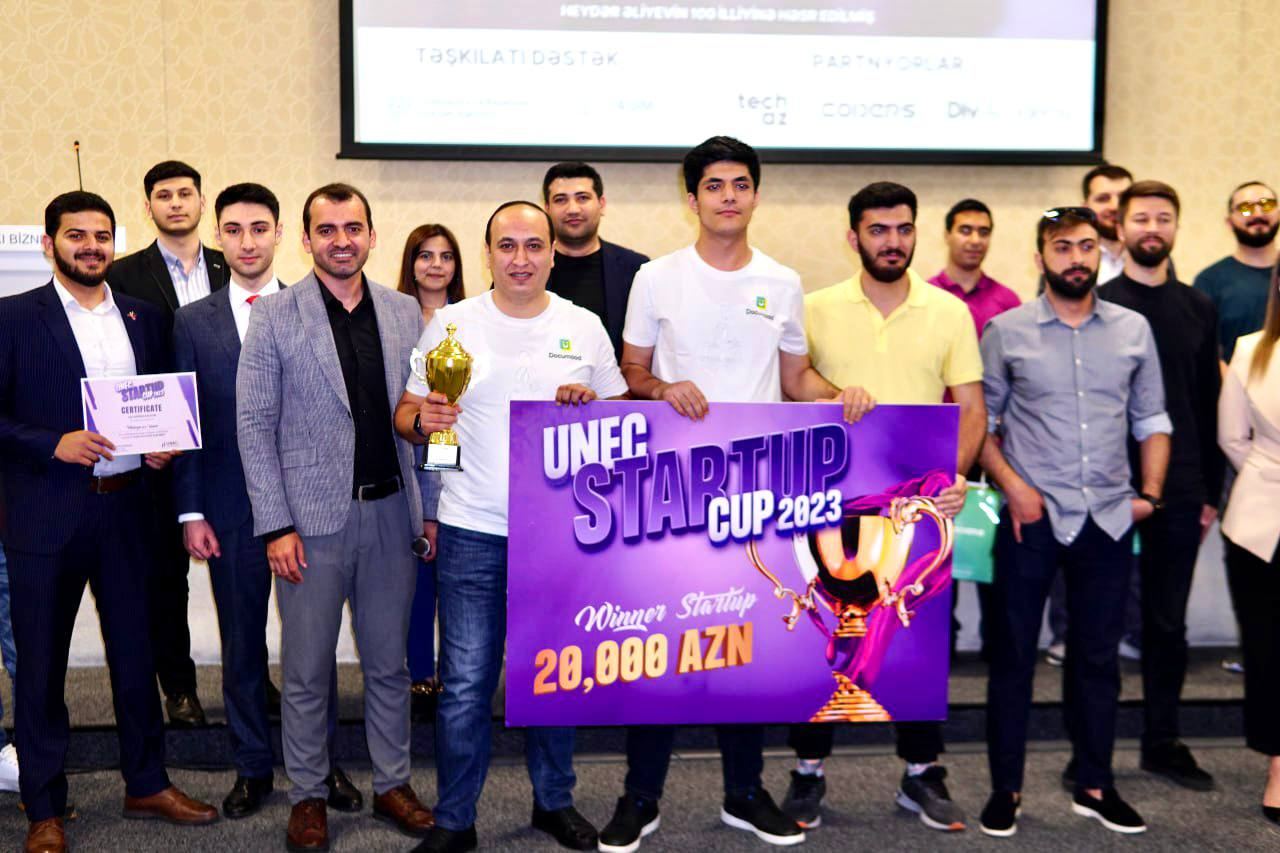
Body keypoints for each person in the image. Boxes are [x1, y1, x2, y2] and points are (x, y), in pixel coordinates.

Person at [602, 136, 872, 852]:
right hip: (673, 493)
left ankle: (745, 793)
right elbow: (631, 372)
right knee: (659, 647)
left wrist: (841, 394)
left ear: (755, 194)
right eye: (714, 185)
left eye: (741, 184)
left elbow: (797, 378)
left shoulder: (781, 281)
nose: (728, 196)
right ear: (690, 197)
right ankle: (640, 796)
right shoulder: (656, 278)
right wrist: (663, 388)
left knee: (745, 647)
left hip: (758, 493)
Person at [400, 201, 627, 853]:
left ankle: (554, 802)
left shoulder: (583, 327)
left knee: (553, 678)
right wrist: (424, 423)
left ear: (553, 253)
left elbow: (623, 422)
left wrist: (590, 410)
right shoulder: (452, 324)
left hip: (560, 538)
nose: (520, 258)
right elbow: (409, 413)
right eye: (507, 245)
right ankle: (455, 818)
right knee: (465, 685)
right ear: (488, 253)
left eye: (533, 245)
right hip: (472, 529)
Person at [0, 191, 219, 853]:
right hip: (45, 514)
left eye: (101, 236)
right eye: (76, 235)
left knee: (135, 654)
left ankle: (146, 781)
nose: (91, 247)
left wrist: (161, 444)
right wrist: (52, 443)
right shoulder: (12, 317)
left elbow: (161, 402)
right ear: (50, 244)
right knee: (41, 665)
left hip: (129, 510)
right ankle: (44, 805)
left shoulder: (144, 316)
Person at [237, 183, 433, 851]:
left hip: (392, 514)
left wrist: (430, 509)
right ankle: (308, 794)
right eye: (328, 230)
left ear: (372, 236)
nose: (342, 241)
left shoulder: (404, 312)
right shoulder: (274, 315)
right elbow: (254, 425)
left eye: (354, 228)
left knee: (389, 665)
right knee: (307, 670)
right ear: (307, 239)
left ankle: (393, 783)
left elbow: (426, 417)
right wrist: (275, 525)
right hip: (309, 525)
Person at [790, 182, 981, 834]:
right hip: (831, 503)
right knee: (824, 629)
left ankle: (922, 771)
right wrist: (835, 393)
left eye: (903, 229)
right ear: (854, 238)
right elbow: (792, 385)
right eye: (878, 230)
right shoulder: (814, 308)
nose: (892, 242)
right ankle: (807, 771)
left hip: (919, 511)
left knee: (920, 636)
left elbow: (971, 406)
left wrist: (958, 474)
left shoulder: (949, 311)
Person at [977, 206, 1171, 838]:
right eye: (1062, 247)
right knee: (1013, 659)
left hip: (1108, 519)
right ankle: (1006, 790)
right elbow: (983, 425)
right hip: (1030, 518)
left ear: (1099, 254)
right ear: (1040, 258)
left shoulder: (1134, 330)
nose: (1076, 258)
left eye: (1086, 246)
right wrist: (1014, 490)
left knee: (1097, 659)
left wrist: (1149, 495)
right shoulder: (1006, 330)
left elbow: (1152, 420)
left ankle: (1095, 784)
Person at [174, 183, 358, 819]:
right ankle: (252, 766)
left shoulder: (318, 307)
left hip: (310, 509)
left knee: (313, 648)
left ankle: (322, 765)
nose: (247, 242)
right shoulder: (192, 322)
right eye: (233, 230)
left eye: (259, 228)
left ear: (281, 234)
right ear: (218, 237)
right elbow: (188, 425)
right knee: (242, 646)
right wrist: (191, 511)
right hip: (230, 511)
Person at [1096, 181, 1222, 791]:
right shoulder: (1098, 302)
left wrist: (1211, 493)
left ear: (1176, 226)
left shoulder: (1198, 306)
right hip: (1106, 485)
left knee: (1167, 624)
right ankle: (1090, 750)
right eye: (1141, 217)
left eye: (1163, 217)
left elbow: (1208, 402)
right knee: (1099, 622)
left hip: (1182, 487)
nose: (1153, 227)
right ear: (1120, 229)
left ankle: (1163, 742)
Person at [107, 160, 232, 727]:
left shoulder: (233, 266)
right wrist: (142, 436)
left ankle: (251, 676)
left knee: (242, 569)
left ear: (202, 202)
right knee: (166, 576)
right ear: (149, 206)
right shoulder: (122, 275)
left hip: (229, 441)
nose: (176, 203)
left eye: (185, 193)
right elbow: (117, 364)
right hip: (160, 449)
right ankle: (179, 688)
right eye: (164, 195)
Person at [395, 223, 467, 717]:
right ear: (411, 264)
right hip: (407, 463)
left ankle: (459, 681)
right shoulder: (394, 321)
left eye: (445, 256)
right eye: (425, 255)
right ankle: (419, 676)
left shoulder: (474, 321)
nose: (436, 265)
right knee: (417, 585)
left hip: (464, 471)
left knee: (460, 588)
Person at [1218, 263, 1280, 826]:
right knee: (1268, 651)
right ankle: (1279, 766)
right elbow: (1232, 437)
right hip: (1263, 524)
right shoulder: (1250, 349)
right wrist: (1269, 472)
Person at [542, 162, 649, 358]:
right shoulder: (525, 268)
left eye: (583, 198)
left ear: (602, 204)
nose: (573, 209)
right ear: (547, 209)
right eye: (560, 200)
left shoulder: (637, 269)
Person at [1195, 181, 1279, 366]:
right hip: (1233, 382)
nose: (1258, 214)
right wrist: (1233, 382)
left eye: (1267, 205)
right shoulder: (1209, 281)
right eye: (1245, 208)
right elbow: (1206, 351)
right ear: (1229, 222)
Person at [928, 198, 1020, 338]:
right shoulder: (924, 296)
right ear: (947, 236)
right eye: (965, 231)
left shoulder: (1008, 301)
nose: (975, 241)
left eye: (983, 232)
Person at [1083, 164, 1133, 284]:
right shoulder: (1067, 257)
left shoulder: (1152, 254)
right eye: (1103, 198)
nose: (1115, 206)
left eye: (1123, 198)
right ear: (1085, 208)